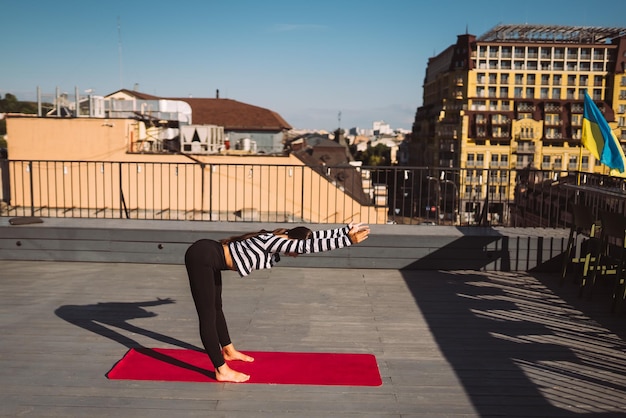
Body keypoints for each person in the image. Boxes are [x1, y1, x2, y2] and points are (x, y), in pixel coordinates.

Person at [184, 222, 370, 383]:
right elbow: (310, 246)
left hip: (208, 254)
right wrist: (347, 241)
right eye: (297, 250)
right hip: (202, 257)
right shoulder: (273, 240)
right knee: (207, 315)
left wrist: (345, 231)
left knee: (216, 307)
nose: (297, 254)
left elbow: (314, 239)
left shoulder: (278, 237)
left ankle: (228, 350)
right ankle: (221, 370)